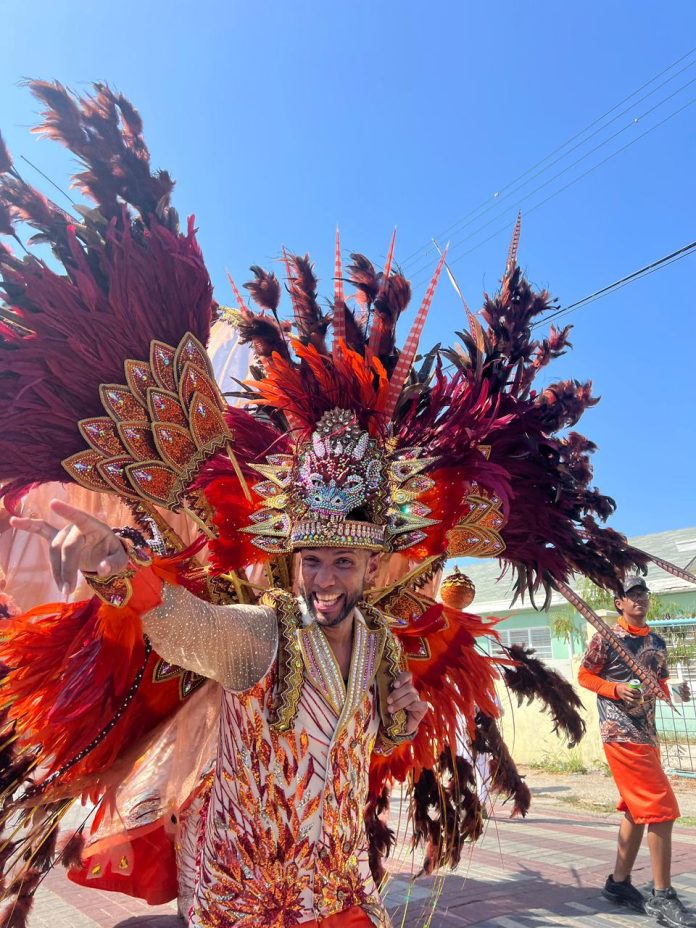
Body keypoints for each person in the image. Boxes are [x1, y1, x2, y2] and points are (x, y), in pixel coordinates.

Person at [14, 487, 428, 927]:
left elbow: (349, 747)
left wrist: (402, 726)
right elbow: (188, 626)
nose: (325, 581)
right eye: (312, 561)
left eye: (343, 561)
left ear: (374, 567)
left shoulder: (378, 645)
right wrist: (124, 567)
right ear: (295, 567)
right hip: (246, 900)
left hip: (345, 891)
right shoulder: (261, 635)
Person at [578, 576, 694, 927]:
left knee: (637, 808)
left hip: (648, 734)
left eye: (643, 593)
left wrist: (675, 691)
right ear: (620, 602)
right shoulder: (606, 636)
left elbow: (658, 682)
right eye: (632, 595)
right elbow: (584, 675)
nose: (639, 599)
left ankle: (618, 884)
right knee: (661, 809)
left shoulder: (657, 641)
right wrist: (613, 688)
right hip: (620, 733)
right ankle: (662, 896)